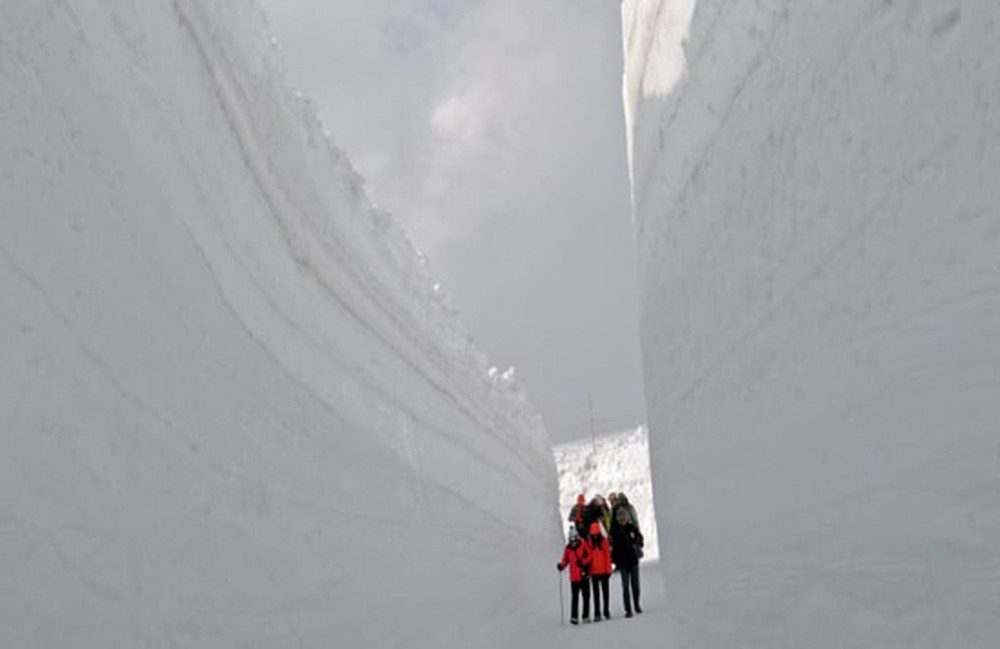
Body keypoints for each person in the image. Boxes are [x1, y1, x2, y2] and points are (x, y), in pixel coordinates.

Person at [610, 506, 644, 617]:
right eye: (620, 518)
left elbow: (640, 540)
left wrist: (636, 541)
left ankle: (636, 605)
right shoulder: (614, 531)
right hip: (623, 563)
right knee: (625, 587)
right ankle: (628, 609)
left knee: (635, 585)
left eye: (623, 517)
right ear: (617, 519)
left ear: (626, 517)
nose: (622, 519)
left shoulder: (632, 527)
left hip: (633, 560)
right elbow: (613, 549)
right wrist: (615, 562)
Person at [557, 526, 592, 624]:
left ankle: (585, 615)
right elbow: (565, 560)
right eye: (571, 540)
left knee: (586, 596)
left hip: (584, 575)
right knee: (575, 597)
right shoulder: (568, 549)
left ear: (577, 537)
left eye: (574, 539)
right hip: (574, 577)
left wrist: (583, 562)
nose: (573, 542)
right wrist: (561, 566)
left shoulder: (583, 544)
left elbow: (589, 556)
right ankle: (574, 616)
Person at [587, 521, 612, 621]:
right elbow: (607, 557)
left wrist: (608, 570)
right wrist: (608, 570)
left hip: (599, 572)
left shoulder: (597, 542)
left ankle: (602, 612)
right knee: (601, 593)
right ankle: (602, 611)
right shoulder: (599, 542)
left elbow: (607, 557)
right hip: (597, 572)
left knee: (600, 593)